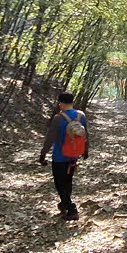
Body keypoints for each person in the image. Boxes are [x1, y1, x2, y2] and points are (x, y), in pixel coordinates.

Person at [39, 92, 89, 220]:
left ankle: (72, 209)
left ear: (60, 103)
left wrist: (43, 154)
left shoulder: (58, 118)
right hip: (73, 155)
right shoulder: (81, 115)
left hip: (60, 156)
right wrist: (85, 151)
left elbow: (50, 138)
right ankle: (64, 204)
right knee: (67, 181)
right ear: (73, 102)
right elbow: (85, 136)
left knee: (60, 183)